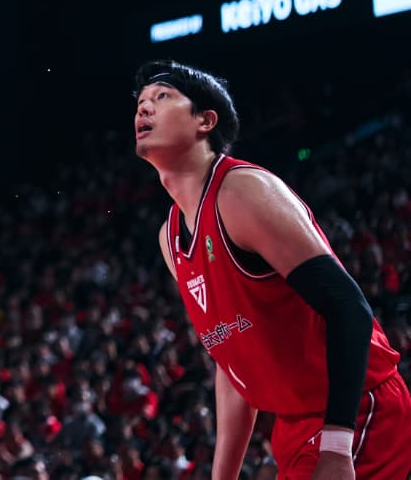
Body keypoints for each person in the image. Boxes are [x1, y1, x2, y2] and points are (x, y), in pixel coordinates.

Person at [133, 61, 411, 480]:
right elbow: (233, 366)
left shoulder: (241, 191)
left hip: (356, 411)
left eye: (162, 97)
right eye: (140, 102)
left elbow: (349, 308)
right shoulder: (170, 237)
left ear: (205, 121)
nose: (144, 108)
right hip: (292, 426)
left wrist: (338, 446)